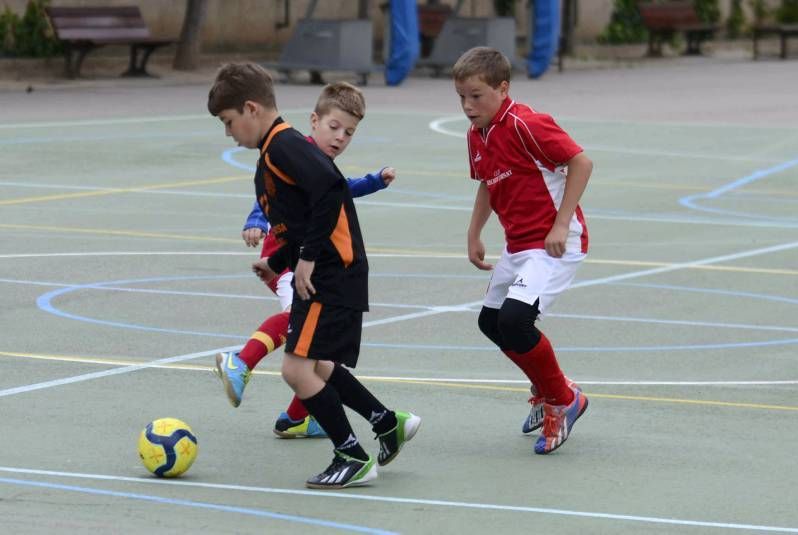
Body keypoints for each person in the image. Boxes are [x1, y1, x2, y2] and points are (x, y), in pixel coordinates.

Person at [208, 62, 420, 488]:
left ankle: (351, 454)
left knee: (295, 369)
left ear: (250, 109)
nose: (229, 133)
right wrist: (280, 260)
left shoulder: (284, 146)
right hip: (324, 269)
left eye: (229, 122)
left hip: (330, 271)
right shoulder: (274, 154)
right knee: (318, 364)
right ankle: (385, 422)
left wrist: (304, 259)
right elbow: (303, 219)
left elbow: (330, 190)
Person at [453, 47, 591, 455]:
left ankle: (562, 401)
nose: (467, 105)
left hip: (553, 244)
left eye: (476, 95)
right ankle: (552, 388)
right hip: (518, 245)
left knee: (515, 321)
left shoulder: (526, 124)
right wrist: (474, 232)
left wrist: (561, 222)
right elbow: (486, 183)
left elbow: (581, 163)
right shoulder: (477, 134)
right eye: (461, 97)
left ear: (502, 88)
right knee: (491, 322)